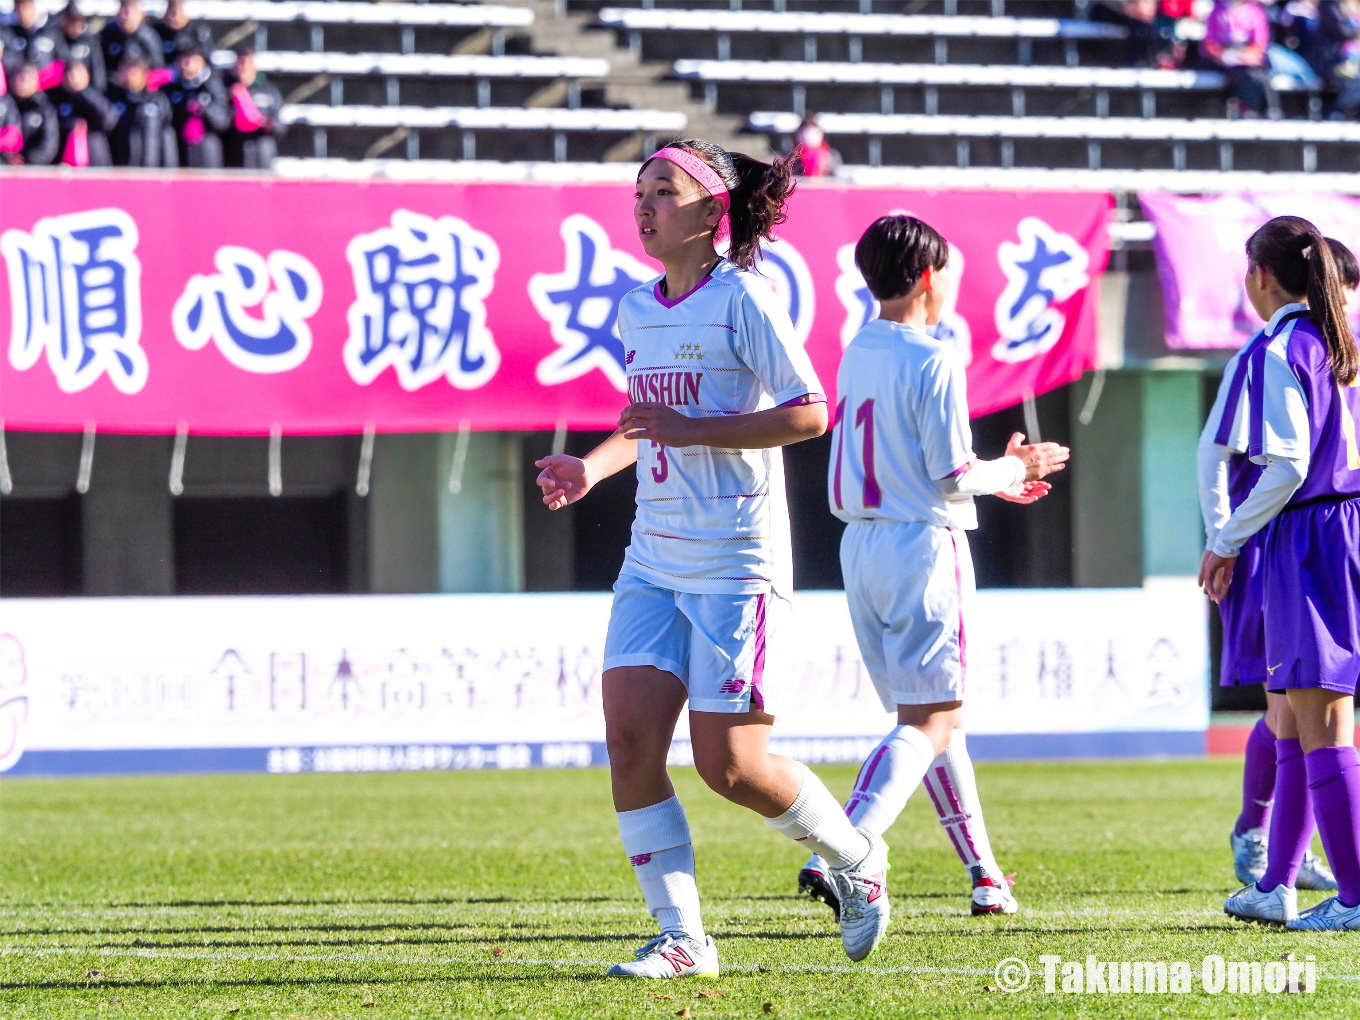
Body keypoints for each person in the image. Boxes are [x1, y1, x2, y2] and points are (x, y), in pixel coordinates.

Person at [534, 139, 892, 976]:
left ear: (710, 212)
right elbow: (644, 419)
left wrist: (701, 431)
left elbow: (810, 413)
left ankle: (855, 857)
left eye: (664, 190)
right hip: (652, 556)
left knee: (730, 767)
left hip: (738, 561)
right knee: (629, 741)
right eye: (640, 191)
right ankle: (685, 938)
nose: (645, 205)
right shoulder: (637, 308)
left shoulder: (746, 300)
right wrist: (592, 465)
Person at [794, 215, 1068, 920]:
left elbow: (928, 468)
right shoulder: (934, 354)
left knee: (937, 722)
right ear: (927, 276)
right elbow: (949, 474)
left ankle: (984, 874)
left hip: (861, 547)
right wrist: (1017, 464)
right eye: (946, 270)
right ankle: (838, 850)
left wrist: (995, 477)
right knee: (931, 720)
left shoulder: (857, 349)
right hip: (922, 545)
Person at [1206, 216, 1360, 931]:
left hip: (1312, 534)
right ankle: (1277, 883)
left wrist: (1228, 538)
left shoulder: (1281, 349)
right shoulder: (1344, 343)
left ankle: (1355, 898)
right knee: (1300, 718)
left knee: (1321, 722)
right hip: (1349, 525)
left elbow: (1289, 465)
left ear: (1262, 276)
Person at [1203, 0, 1282, 118]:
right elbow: (1209, 42)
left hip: (1248, 57)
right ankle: (1245, 109)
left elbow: (1260, 42)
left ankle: (1265, 108)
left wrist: (1246, 56)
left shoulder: (1255, 11)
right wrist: (1221, 55)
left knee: (1256, 73)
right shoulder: (1217, 11)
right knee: (1238, 73)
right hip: (1224, 57)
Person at [166, 43, 230, 168]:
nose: (186, 65)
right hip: (178, 150)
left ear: (202, 62)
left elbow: (223, 121)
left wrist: (203, 109)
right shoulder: (172, 87)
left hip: (207, 151)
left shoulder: (213, 87)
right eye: (183, 60)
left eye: (192, 60)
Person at [107, 53, 176, 166]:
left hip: (152, 168)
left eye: (134, 72)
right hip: (122, 167)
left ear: (144, 74)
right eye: (126, 71)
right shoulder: (115, 98)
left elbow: (167, 135)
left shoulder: (157, 99)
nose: (130, 76)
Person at [224, 47, 285, 169]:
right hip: (235, 153)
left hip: (262, 154)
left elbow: (280, 126)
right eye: (241, 62)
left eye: (248, 62)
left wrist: (267, 124)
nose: (244, 67)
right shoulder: (224, 90)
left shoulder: (269, 91)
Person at [51, 58, 118, 165]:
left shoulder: (96, 98)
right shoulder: (56, 99)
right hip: (63, 161)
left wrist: (83, 92)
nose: (73, 79)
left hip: (94, 158)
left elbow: (109, 121)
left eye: (77, 75)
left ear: (87, 76)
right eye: (70, 75)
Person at [3, 0, 66, 91]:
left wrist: (38, 79)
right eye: (19, 8)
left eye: (27, 7)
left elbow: (63, 62)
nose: (23, 12)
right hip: (13, 91)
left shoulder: (51, 33)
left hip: (46, 91)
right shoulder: (7, 33)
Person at [4, 61, 58, 164]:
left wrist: (26, 160)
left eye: (27, 79)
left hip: (33, 168)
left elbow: (49, 145)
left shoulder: (44, 108)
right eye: (19, 78)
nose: (22, 83)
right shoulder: (5, 104)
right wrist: (7, 158)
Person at [100, 0, 163, 80]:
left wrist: (142, 79)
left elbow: (160, 73)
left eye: (129, 11)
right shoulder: (107, 35)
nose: (124, 15)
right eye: (122, 9)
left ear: (141, 14)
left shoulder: (149, 38)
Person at [57, 1, 106, 94]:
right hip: (61, 94)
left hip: (88, 93)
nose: (76, 28)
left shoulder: (90, 41)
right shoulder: (57, 39)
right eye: (72, 23)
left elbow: (98, 71)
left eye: (79, 23)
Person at [153, 0, 213, 69]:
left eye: (179, 7)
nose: (174, 14)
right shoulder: (153, 33)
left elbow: (211, 67)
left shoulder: (198, 33)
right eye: (171, 7)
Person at [790, 112, 838, 178]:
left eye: (812, 131)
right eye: (804, 132)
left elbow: (835, 179)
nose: (808, 136)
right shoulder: (790, 158)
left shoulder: (832, 156)